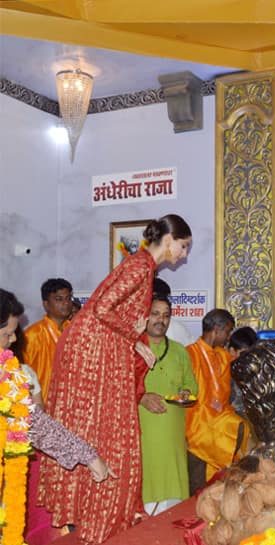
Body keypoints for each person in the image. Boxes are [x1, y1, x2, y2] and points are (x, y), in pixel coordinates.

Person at [39, 214, 192, 544]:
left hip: (100, 347)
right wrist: (135, 339)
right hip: (91, 349)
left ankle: (102, 518)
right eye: (183, 246)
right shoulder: (141, 266)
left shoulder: (142, 266)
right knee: (110, 434)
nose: (183, 254)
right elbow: (101, 309)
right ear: (169, 240)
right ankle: (100, 517)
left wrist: (132, 341)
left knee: (110, 433)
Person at [0, 289, 114, 545]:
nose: (13, 340)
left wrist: (88, 455)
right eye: (7, 334)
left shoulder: (6, 375)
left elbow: (35, 424)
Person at [138, 295, 197, 515]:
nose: (160, 320)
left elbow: (191, 384)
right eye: (155, 314)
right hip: (143, 433)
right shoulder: (131, 349)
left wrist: (186, 392)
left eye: (166, 315)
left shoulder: (179, 351)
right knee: (145, 487)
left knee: (173, 498)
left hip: (172, 433)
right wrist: (141, 398)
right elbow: (117, 387)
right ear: (144, 317)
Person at [185, 309, 248, 494]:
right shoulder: (190, 354)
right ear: (217, 330)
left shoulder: (221, 355)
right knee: (198, 491)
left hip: (220, 422)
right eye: (228, 332)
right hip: (198, 425)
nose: (228, 338)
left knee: (241, 425)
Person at [23, 278, 73, 401]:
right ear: (46, 304)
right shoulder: (32, 335)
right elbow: (22, 375)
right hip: (43, 404)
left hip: (71, 402)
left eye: (68, 298)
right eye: (59, 299)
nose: (66, 303)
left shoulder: (75, 331)